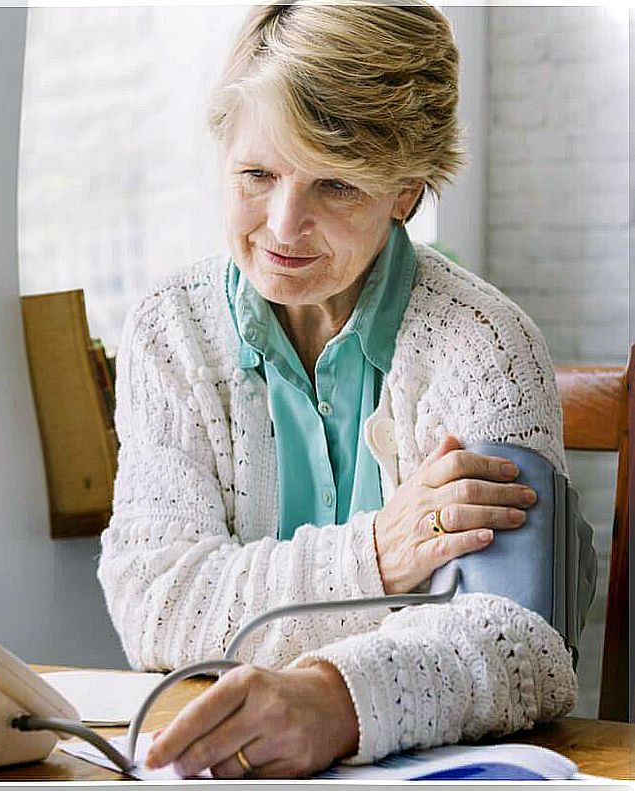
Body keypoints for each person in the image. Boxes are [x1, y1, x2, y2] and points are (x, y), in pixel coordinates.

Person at [96, 1, 579, 780]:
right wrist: (376, 556)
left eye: (336, 187)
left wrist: (332, 701)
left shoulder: (485, 343)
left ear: (405, 192)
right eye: (256, 174)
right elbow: (157, 606)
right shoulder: (169, 328)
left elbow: (522, 642)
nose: (283, 226)